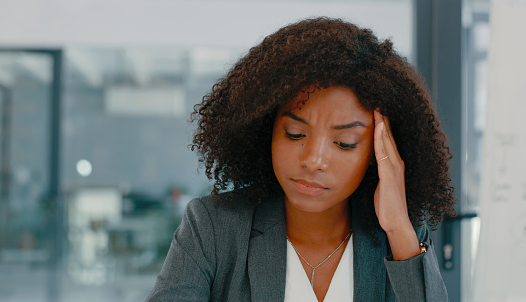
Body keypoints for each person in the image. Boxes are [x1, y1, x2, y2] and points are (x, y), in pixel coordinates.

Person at [145, 17, 455, 302]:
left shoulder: (402, 238)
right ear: (267, 128)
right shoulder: (214, 227)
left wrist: (399, 228)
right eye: (294, 133)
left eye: (344, 143)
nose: (313, 160)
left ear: (377, 154)